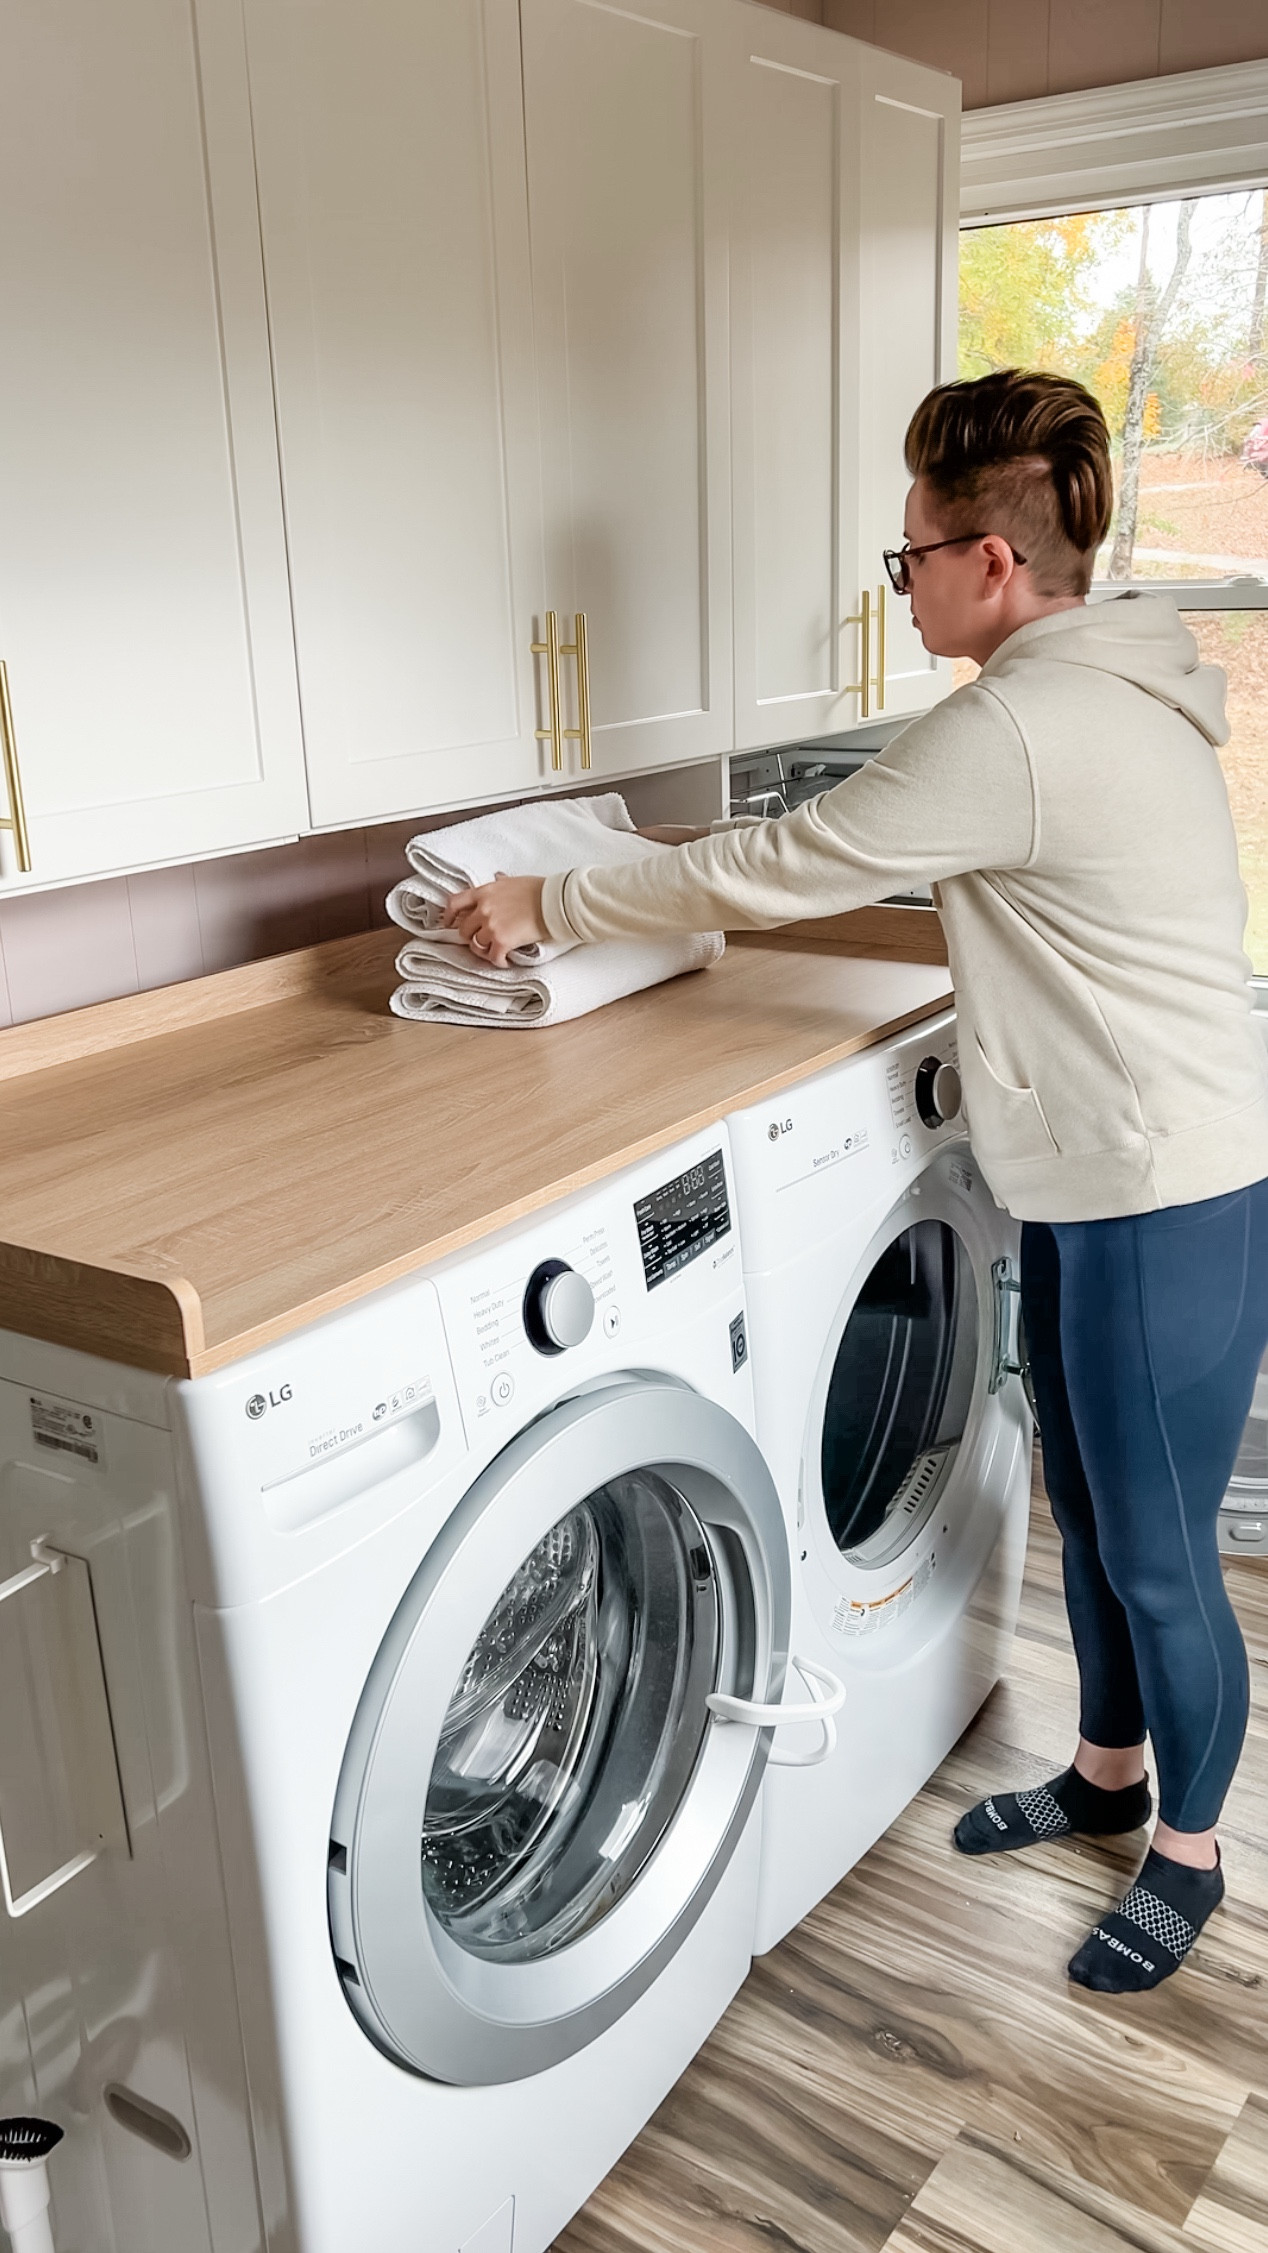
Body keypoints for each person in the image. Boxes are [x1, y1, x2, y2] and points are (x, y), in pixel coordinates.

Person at [444, 368, 1268, 1994]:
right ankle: (1109, 1780)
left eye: (910, 558)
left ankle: (1193, 1853)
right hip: (1133, 1168)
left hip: (1165, 1190)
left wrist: (555, 896)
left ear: (993, 566)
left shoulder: (1021, 722)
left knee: (1161, 1546)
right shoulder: (1116, 684)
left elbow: (777, 861)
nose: (899, 589)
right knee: (1090, 1509)